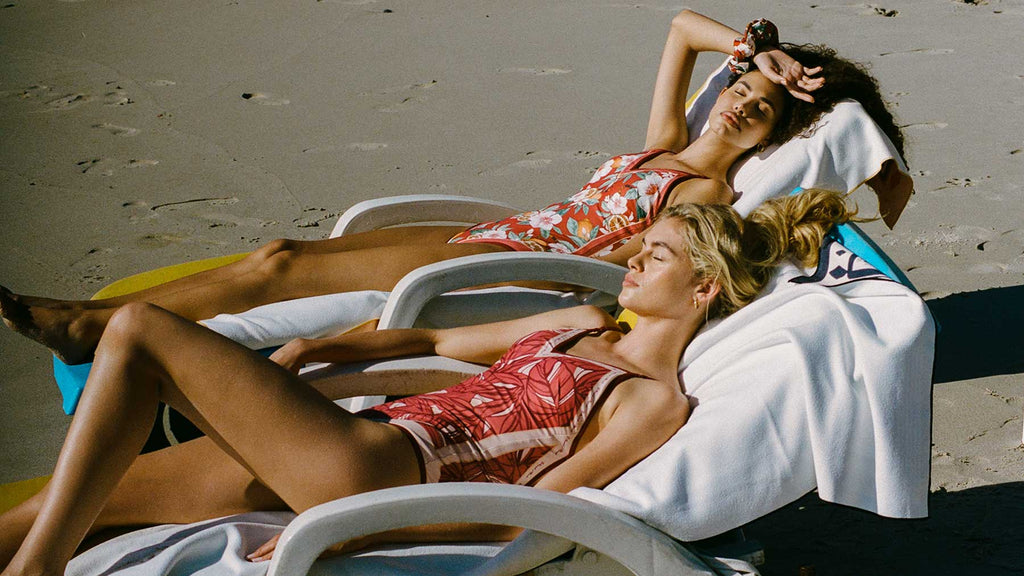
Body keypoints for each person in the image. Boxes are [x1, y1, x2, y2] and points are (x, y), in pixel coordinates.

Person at [0, 189, 855, 573]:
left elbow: (547, 503)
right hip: (351, 436)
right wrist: (325, 355)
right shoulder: (578, 325)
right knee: (53, 511)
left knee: (143, 330)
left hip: (375, 472)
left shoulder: (653, 401)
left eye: (656, 256)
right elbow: (440, 335)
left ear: (704, 288)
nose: (633, 264)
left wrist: (356, 532)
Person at [0, 10, 905, 366]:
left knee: (283, 261)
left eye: (755, 114)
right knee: (284, 255)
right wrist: (757, 48)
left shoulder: (701, 198)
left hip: (513, 263)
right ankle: (93, 320)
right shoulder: (666, 146)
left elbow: (633, 266)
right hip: (503, 232)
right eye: (735, 93)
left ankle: (87, 327)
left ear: (770, 142)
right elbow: (678, 29)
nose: (735, 107)